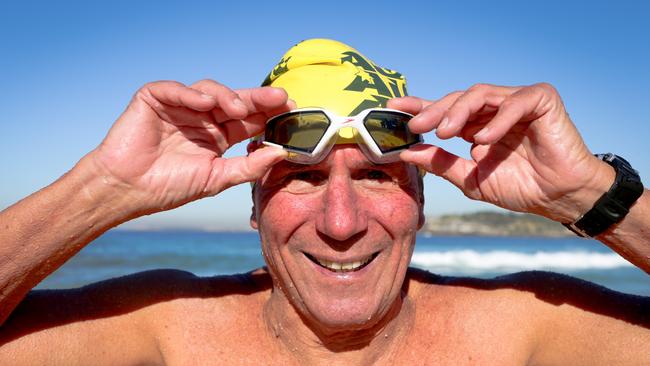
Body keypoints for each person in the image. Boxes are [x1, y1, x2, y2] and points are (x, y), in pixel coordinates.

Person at [0, 38, 648, 365]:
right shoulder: (166, 329)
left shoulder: (519, 332)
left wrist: (592, 195)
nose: (342, 223)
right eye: (303, 178)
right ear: (254, 204)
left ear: (421, 200)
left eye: (374, 176)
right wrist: (100, 192)